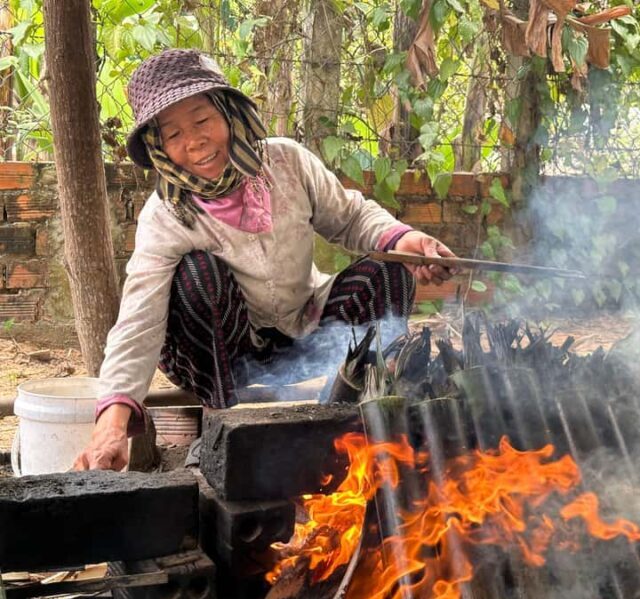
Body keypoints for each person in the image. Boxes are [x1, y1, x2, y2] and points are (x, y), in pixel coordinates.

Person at [73, 49, 456, 471]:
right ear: (158, 146)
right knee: (199, 275)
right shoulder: (165, 215)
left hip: (306, 333)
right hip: (222, 356)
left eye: (202, 120)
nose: (194, 141)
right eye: (174, 134)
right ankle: (219, 432)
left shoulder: (287, 162)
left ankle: (354, 417)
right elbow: (139, 319)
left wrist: (408, 240)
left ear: (229, 113)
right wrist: (111, 422)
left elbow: (350, 217)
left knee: (390, 268)